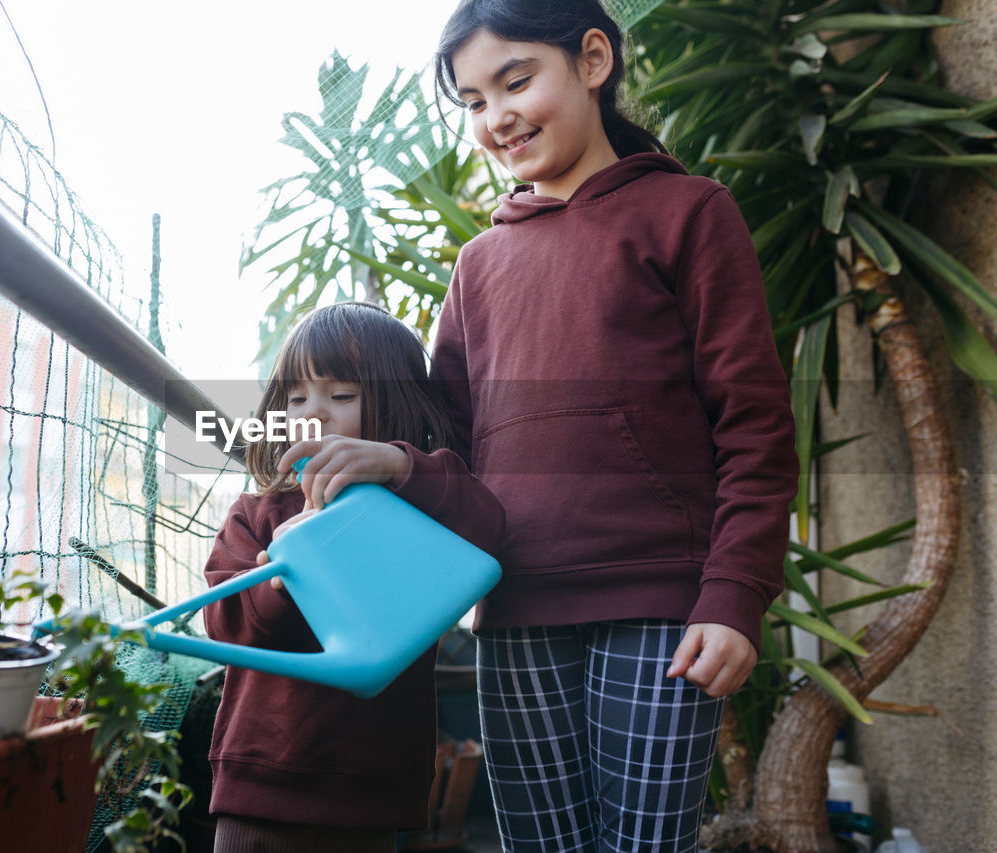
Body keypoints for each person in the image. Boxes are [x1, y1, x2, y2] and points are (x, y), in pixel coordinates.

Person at [429, 1, 799, 851]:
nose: (497, 117)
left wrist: (735, 596)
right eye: (474, 101)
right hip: (514, 610)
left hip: (662, 611)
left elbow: (754, 424)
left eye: (516, 80)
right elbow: (444, 437)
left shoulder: (690, 213)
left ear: (593, 59)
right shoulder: (478, 265)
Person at [202, 301, 506, 853]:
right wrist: (281, 573)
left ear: (397, 406)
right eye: (297, 398)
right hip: (261, 783)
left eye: (341, 395)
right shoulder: (258, 513)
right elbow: (226, 626)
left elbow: (486, 525)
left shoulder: (418, 505)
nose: (313, 413)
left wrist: (398, 466)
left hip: (370, 789)